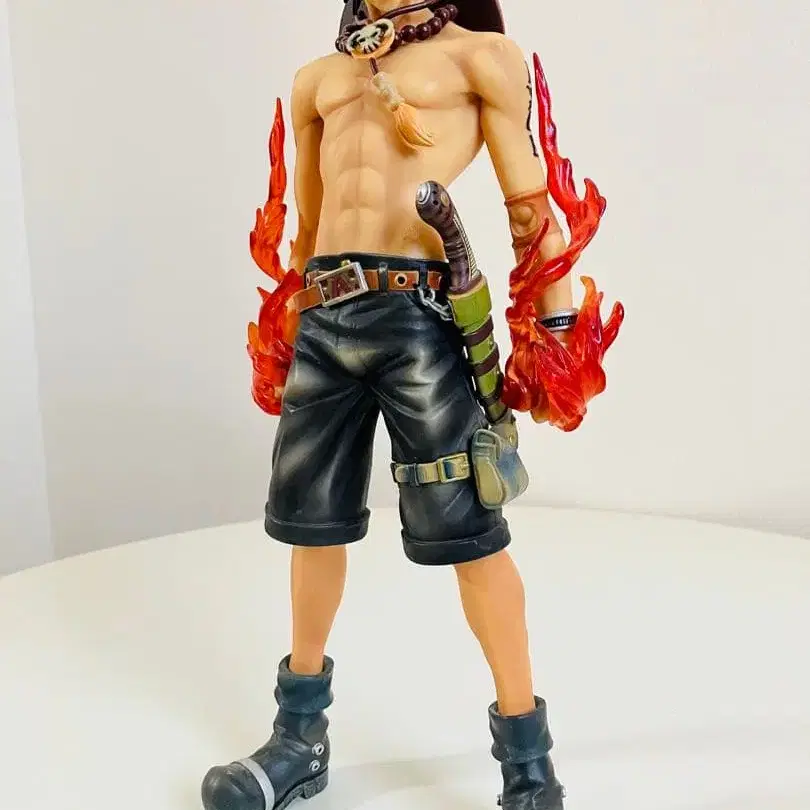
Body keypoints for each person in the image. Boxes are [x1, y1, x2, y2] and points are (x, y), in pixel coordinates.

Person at [202, 1, 621, 808]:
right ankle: (298, 741)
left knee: (470, 531)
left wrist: (558, 337)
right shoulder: (318, 79)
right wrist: (287, 325)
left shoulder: (480, 58)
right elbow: (308, 224)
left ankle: (529, 766)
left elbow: (530, 210)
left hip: (419, 321)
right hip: (324, 319)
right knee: (311, 527)